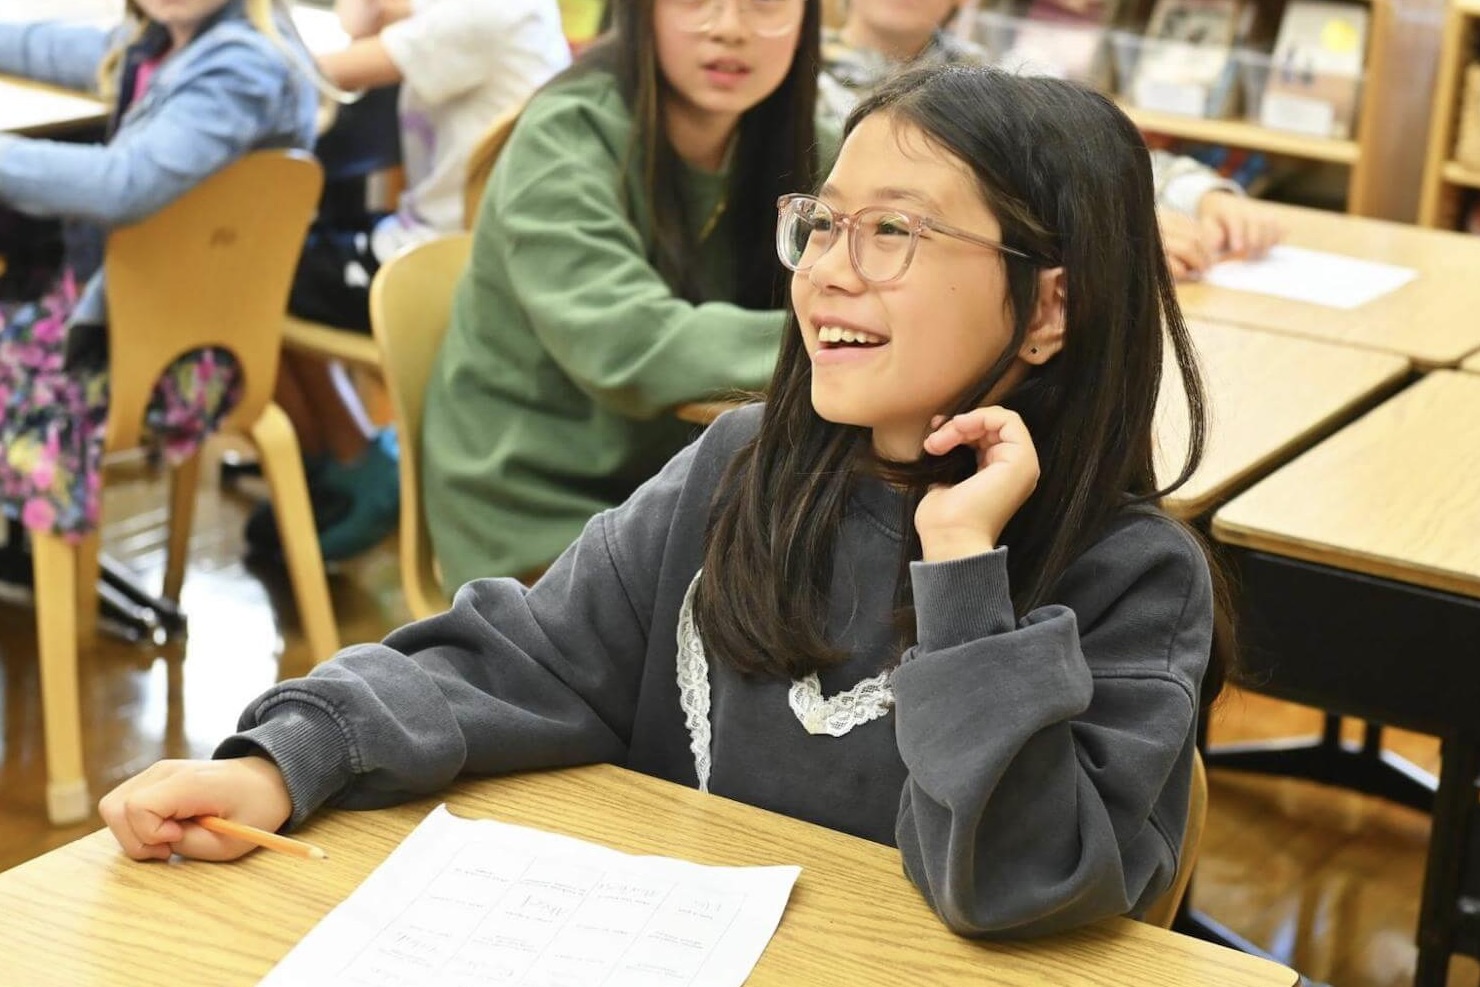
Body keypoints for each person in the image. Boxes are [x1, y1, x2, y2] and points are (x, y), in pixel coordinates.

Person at [101, 63, 1229, 939]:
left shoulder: (1130, 579)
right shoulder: (744, 468)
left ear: (1047, 311)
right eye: (823, 222)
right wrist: (281, 761)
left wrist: (962, 575)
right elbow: (523, 655)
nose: (830, 268)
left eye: (895, 231)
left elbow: (1020, 883)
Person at [417, 0, 825, 588]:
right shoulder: (566, 135)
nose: (730, 27)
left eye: (765, 3)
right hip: (539, 505)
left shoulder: (800, 141)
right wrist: (845, 338)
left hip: (689, 485)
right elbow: (629, 343)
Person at [246, 0, 572, 565]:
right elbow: (364, 17)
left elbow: (305, 71)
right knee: (277, 254)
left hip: (445, 262)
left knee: (252, 269)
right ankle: (328, 466)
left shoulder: (488, 14)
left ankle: (350, 463)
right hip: (438, 237)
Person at [0, 0, 319, 541]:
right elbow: (53, 48)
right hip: (137, 318)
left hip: (160, 359)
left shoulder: (240, 70)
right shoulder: (169, 43)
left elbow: (119, 185)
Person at [820, 0, 1284, 280]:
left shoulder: (997, 73)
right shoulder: (807, 86)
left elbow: (1095, 149)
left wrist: (1203, 194)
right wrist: (1115, 231)